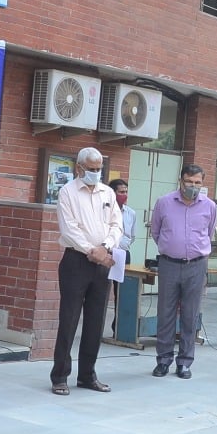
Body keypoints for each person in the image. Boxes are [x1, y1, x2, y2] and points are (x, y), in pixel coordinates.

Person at [51, 147, 122, 395]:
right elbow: (69, 229)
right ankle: (60, 375)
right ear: (79, 168)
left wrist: (105, 247)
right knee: (69, 319)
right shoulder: (67, 192)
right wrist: (92, 250)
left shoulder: (108, 193)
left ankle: (87, 375)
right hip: (76, 261)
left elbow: (116, 224)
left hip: (102, 263)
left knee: (96, 320)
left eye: (98, 168)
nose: (95, 173)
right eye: (91, 169)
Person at [150, 164, 217, 379]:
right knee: (166, 313)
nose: (193, 186)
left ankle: (185, 362)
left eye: (198, 182)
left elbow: (209, 233)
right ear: (181, 181)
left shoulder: (209, 206)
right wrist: (172, 247)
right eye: (189, 181)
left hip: (196, 265)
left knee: (190, 314)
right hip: (169, 264)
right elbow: (156, 231)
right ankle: (163, 360)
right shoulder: (164, 203)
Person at [107, 178, 137, 336]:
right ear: (113, 193)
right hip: (106, 252)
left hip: (123, 253)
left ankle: (117, 328)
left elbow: (132, 236)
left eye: (126, 191)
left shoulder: (131, 213)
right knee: (103, 290)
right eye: (121, 192)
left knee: (122, 292)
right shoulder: (105, 210)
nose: (124, 194)